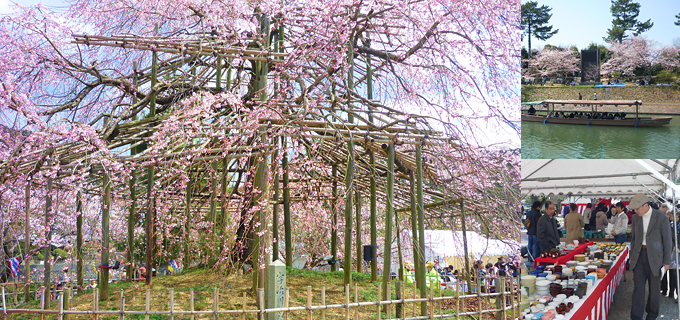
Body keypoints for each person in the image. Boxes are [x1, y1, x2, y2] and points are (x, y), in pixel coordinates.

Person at [629, 193, 672, 320]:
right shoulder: (636, 218)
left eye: (637, 208)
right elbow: (634, 239)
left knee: (654, 289)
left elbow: (668, 241)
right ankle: (636, 316)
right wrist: (632, 255)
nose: (635, 211)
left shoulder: (661, 218)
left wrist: (666, 261)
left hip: (656, 258)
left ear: (646, 205)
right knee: (638, 288)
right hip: (639, 256)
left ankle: (652, 314)